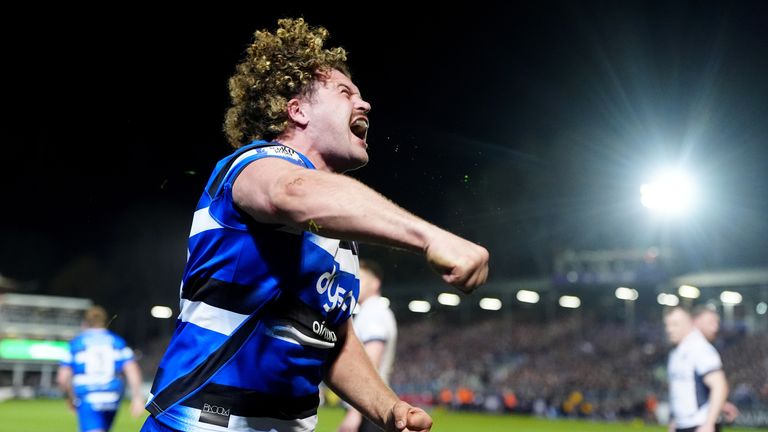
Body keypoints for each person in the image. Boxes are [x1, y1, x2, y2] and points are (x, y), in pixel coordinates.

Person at [141, 17, 489, 432]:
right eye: (346, 93)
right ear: (297, 110)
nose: (365, 104)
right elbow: (289, 191)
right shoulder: (252, 166)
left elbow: (332, 340)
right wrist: (428, 236)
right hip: (200, 423)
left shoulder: (337, 235)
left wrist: (389, 409)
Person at [57, 305, 145, 432]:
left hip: (89, 396)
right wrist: (137, 398)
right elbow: (132, 369)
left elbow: (62, 378)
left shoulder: (77, 343)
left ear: (85, 323)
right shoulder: (117, 342)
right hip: (112, 396)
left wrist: (70, 398)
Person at [338, 260, 397, 432]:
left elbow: (372, 359)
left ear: (375, 283)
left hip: (368, 407)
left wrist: (355, 413)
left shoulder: (373, 311)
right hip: (371, 404)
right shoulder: (372, 310)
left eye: (361, 278)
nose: (355, 283)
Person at [664, 306, 729, 432]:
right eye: (667, 325)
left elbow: (720, 385)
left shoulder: (699, 348)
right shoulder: (677, 351)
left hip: (700, 425)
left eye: (675, 324)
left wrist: (709, 423)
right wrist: (675, 421)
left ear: (689, 323)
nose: (669, 329)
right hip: (683, 424)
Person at [692, 306, 740, 424]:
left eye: (717, 323)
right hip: (699, 423)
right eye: (711, 322)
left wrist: (720, 404)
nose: (716, 327)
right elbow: (720, 386)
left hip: (697, 421)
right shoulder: (702, 349)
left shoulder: (689, 348)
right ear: (696, 321)